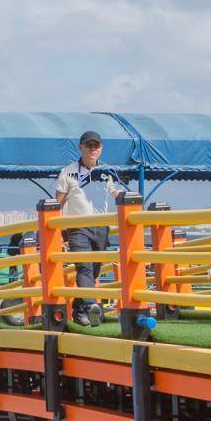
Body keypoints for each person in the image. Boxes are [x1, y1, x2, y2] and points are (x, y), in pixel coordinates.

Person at [55, 130, 123, 326]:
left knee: (93, 272)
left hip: (101, 227)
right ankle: (92, 305)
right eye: (89, 145)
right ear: (81, 147)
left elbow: (116, 193)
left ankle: (79, 311)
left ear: (101, 148)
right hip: (77, 227)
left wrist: (127, 199)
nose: (93, 149)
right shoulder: (68, 172)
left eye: (96, 145)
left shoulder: (108, 172)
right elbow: (57, 203)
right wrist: (58, 232)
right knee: (84, 267)